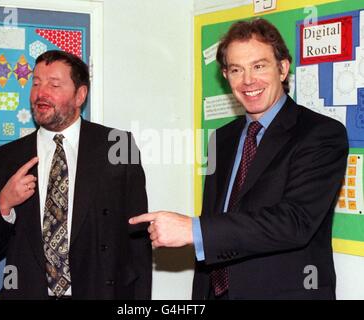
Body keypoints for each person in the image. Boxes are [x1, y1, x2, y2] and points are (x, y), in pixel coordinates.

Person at [130, 18, 348, 300]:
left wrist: (192, 229)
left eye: (259, 66)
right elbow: (217, 222)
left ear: (282, 68)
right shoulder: (221, 139)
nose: (248, 81)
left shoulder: (320, 134)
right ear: (226, 76)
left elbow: (295, 222)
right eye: (236, 70)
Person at [0, 50, 151, 300]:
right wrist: (4, 204)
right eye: (36, 83)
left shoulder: (118, 147)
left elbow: (138, 244)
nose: (40, 93)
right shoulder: (4, 160)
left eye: (54, 84)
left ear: (80, 95)